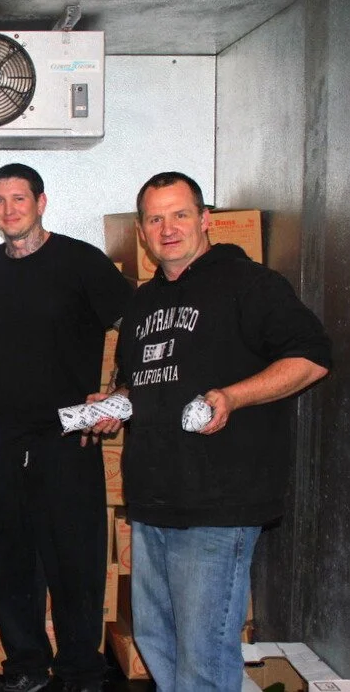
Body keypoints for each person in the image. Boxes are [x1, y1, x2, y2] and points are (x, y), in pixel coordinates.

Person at [88, 171, 330, 692]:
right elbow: (144, 387)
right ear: (143, 231)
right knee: (158, 642)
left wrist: (232, 396)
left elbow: (311, 358)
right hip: (153, 501)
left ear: (204, 220)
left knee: (203, 655)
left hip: (218, 506)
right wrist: (114, 404)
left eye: (179, 214)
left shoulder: (252, 285)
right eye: (155, 218)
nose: (167, 228)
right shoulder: (142, 305)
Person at [0, 163, 133, 692]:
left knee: (75, 561)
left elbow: (136, 327)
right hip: (8, 439)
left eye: (18, 198)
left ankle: (81, 671)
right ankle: (26, 667)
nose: (8, 209)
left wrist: (121, 395)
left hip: (69, 436)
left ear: (41, 201)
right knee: (11, 560)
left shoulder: (82, 262)